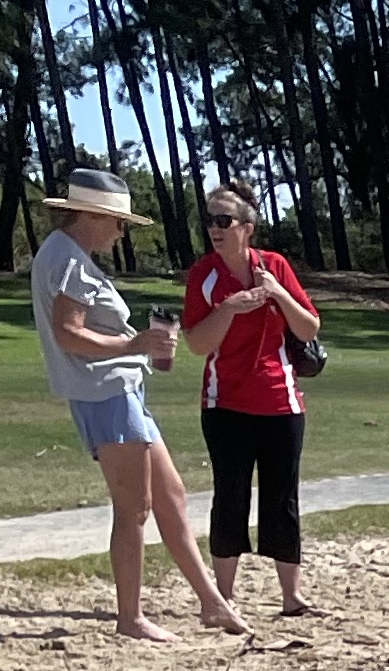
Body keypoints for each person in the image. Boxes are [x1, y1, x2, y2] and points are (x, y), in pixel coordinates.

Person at [28, 161, 248, 645]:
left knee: (170, 497)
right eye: (117, 221)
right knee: (134, 509)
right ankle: (131, 617)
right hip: (106, 394)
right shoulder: (67, 258)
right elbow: (70, 335)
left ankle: (212, 603)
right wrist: (136, 345)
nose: (121, 230)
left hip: (119, 392)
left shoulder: (65, 254)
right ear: (90, 216)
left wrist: (136, 347)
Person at [183, 184, 322, 617]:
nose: (214, 229)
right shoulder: (203, 276)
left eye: (224, 221)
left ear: (248, 227)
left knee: (283, 499)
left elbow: (309, 329)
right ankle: (222, 599)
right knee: (231, 497)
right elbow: (196, 343)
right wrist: (229, 309)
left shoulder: (275, 266)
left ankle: (291, 597)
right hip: (225, 405)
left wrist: (277, 293)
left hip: (281, 403)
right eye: (209, 220)